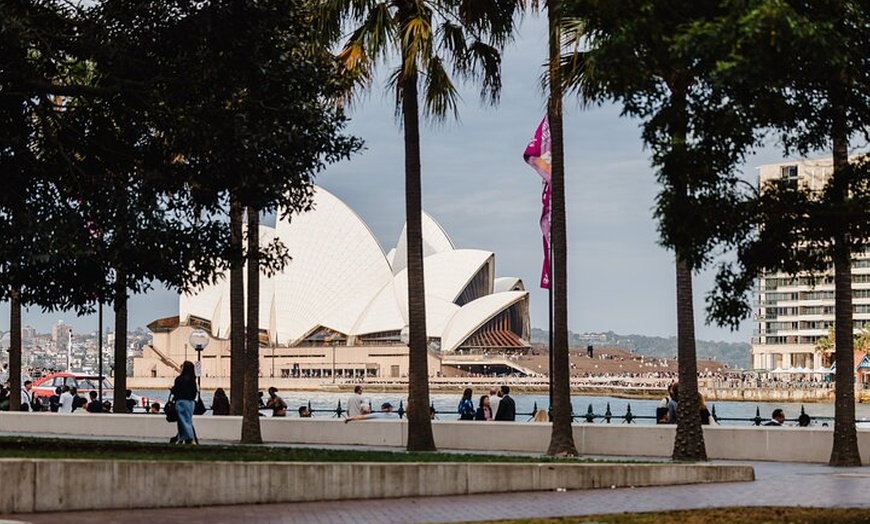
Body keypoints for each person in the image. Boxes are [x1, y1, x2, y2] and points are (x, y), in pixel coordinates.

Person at [171, 360, 199, 444]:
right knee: (186, 420)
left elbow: (176, 391)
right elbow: (195, 392)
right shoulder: (192, 380)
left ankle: (191, 439)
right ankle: (180, 438)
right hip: (191, 403)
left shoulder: (179, 379)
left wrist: (172, 389)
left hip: (181, 401)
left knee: (184, 421)